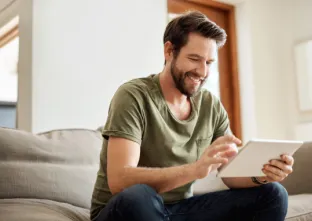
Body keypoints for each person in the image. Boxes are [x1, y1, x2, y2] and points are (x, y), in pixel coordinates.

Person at [90, 11, 294, 221]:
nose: (202, 71)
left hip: (178, 210)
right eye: (194, 59)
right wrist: (195, 170)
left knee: (273, 194)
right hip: (125, 211)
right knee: (138, 196)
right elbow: (119, 180)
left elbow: (230, 172)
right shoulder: (133, 96)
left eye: (209, 62)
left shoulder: (210, 105)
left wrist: (261, 175)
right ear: (169, 51)